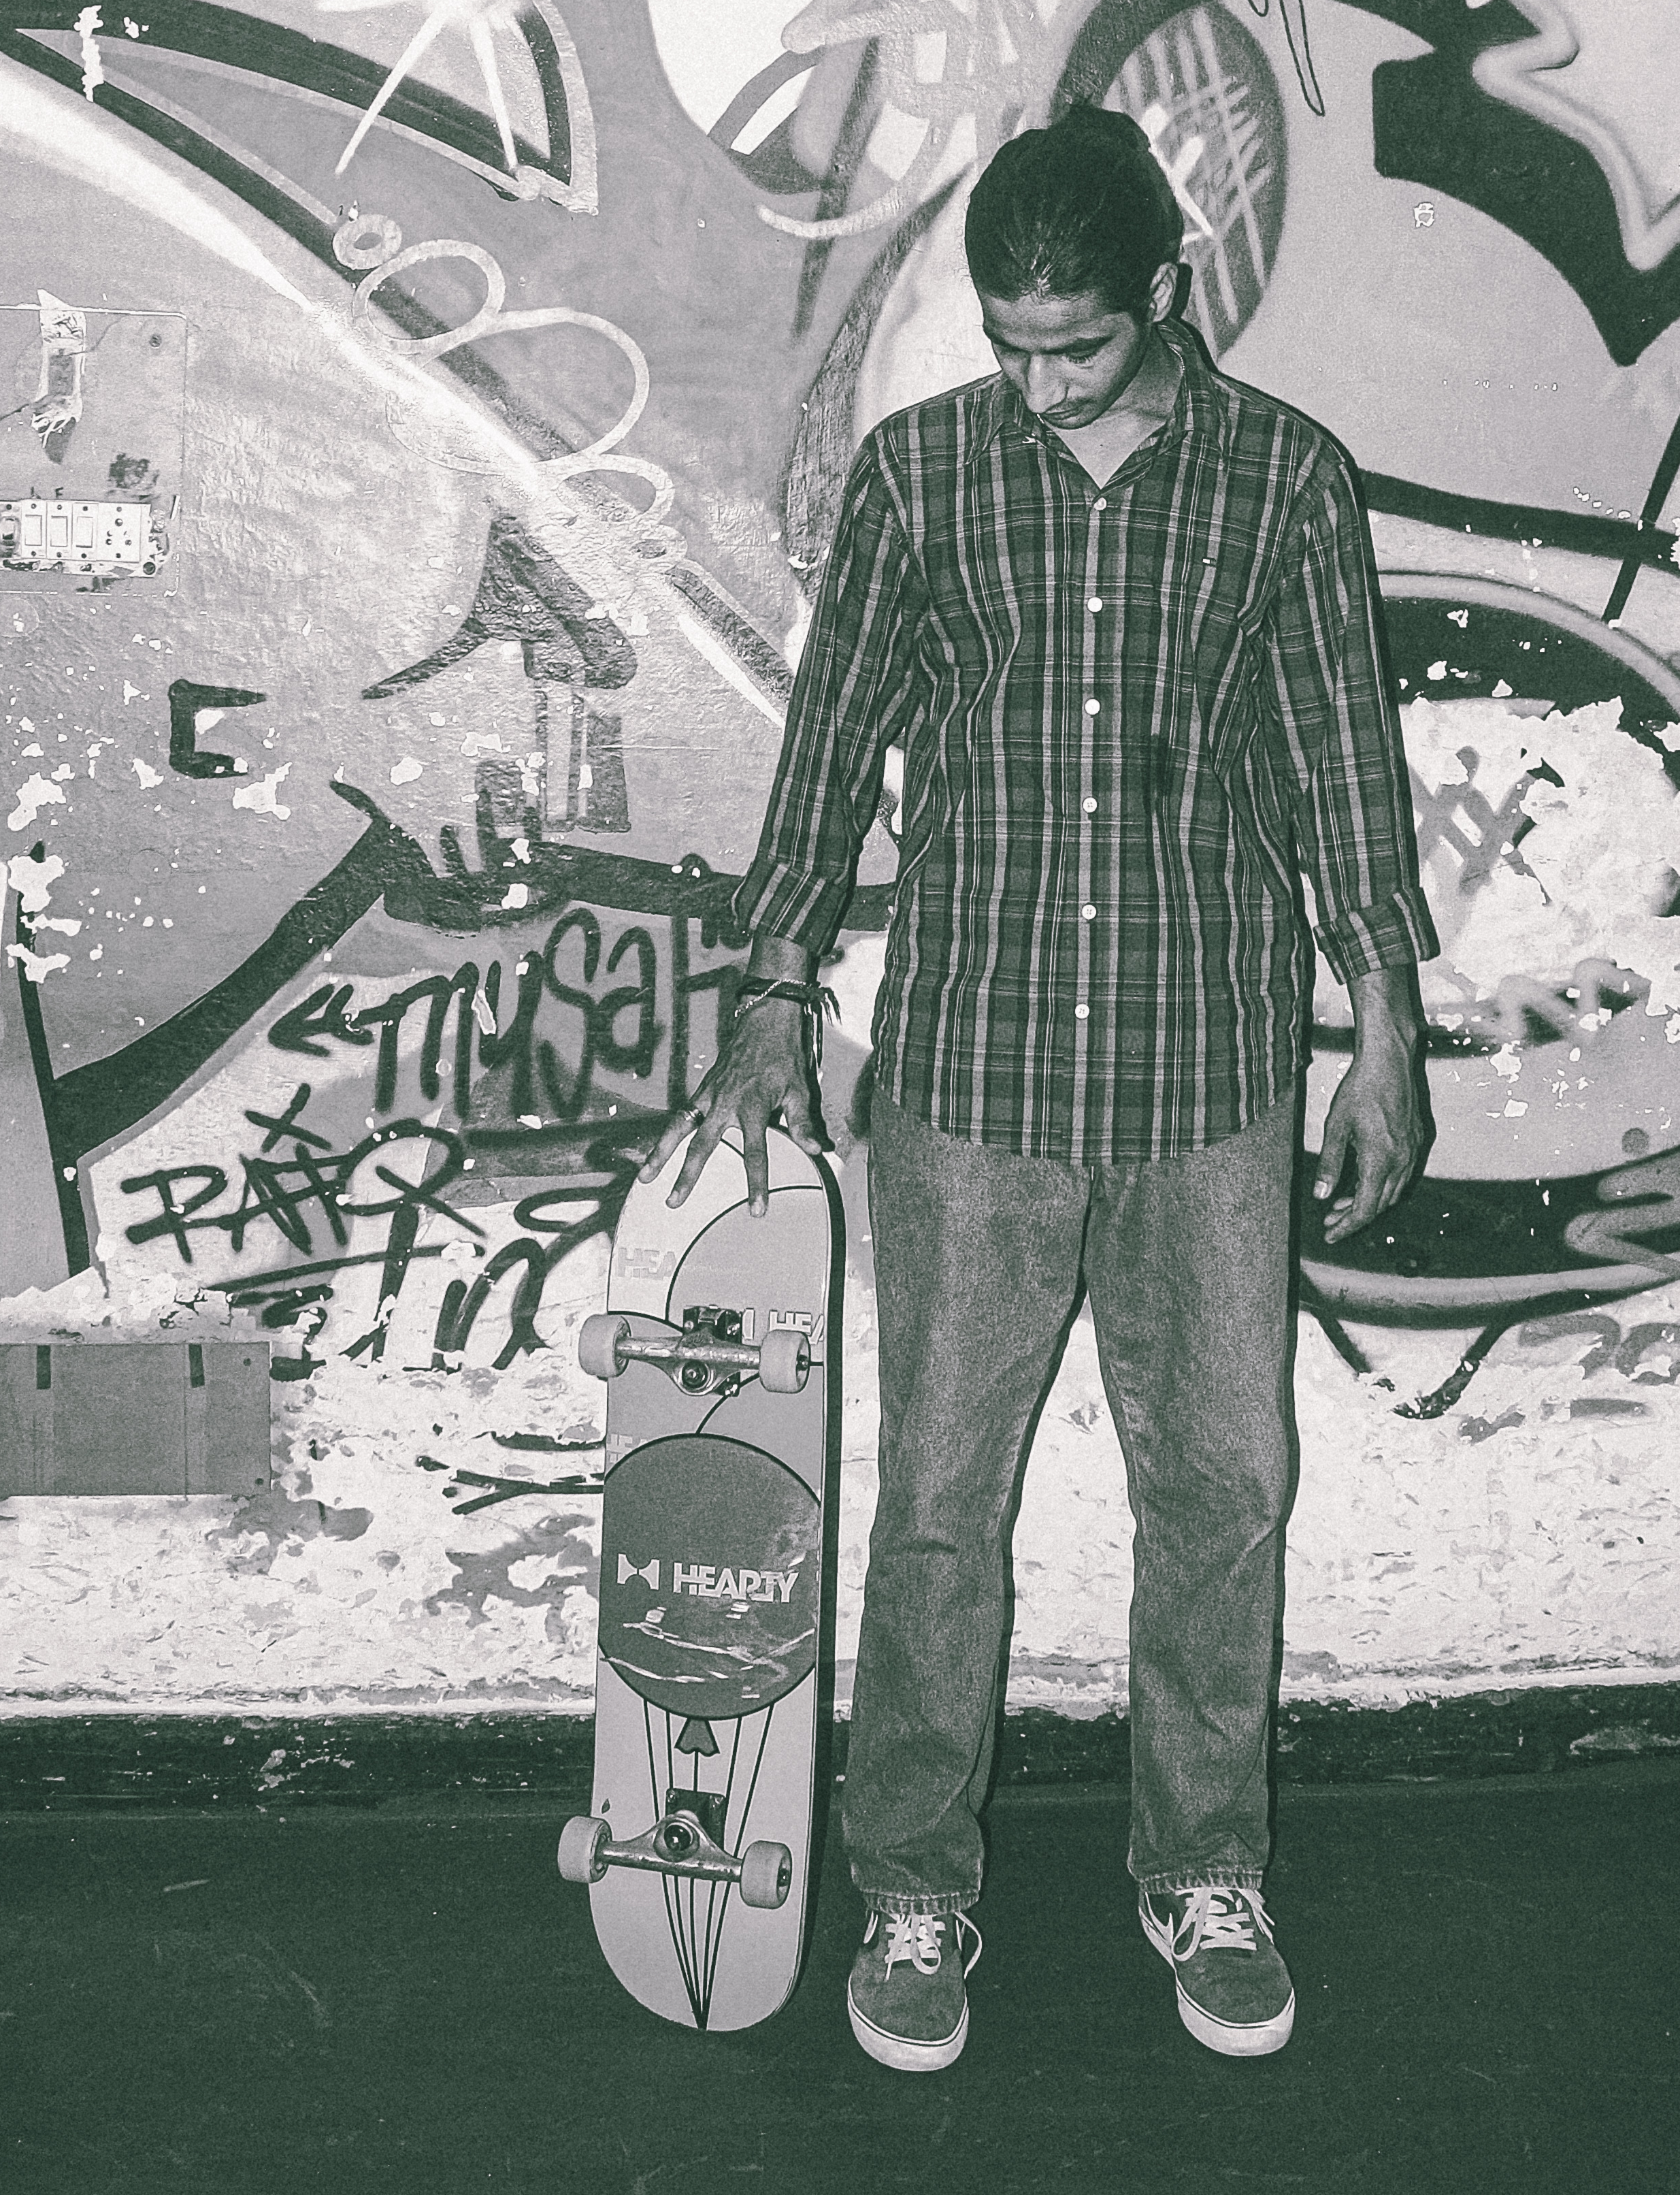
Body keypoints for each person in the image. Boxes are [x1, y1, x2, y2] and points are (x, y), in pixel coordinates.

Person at [652, 103, 1436, 2070]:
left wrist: (1387, 1030)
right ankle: (913, 1889)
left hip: (1208, 1070)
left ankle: (1206, 1868)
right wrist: (771, 989)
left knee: (1226, 1495)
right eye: (1010, 345)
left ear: (1167, 289)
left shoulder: (1284, 480)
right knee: (936, 1504)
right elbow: (830, 746)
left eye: (1074, 345)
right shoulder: (924, 476)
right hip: (973, 1075)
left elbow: (1345, 765)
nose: (1040, 380)